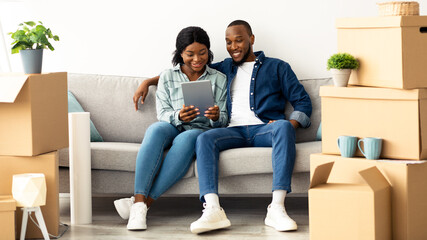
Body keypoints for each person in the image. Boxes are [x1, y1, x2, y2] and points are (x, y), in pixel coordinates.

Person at [133, 20, 312, 234]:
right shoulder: (224, 67)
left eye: (239, 40)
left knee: (284, 127)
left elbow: (303, 102)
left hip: (265, 128)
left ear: (251, 39)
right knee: (203, 138)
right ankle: (212, 209)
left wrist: (290, 124)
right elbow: (188, 68)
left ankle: (277, 208)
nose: (233, 47)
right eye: (228, 42)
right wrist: (148, 82)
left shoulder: (278, 67)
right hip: (232, 130)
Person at [117, 26, 228, 231]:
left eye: (202, 53)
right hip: (173, 126)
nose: (197, 59)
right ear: (180, 54)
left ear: (209, 51)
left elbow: (224, 118)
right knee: (155, 129)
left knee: (188, 138)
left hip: (200, 130)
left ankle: (142, 206)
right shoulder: (168, 76)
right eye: (190, 54)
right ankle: (139, 202)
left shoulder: (219, 79)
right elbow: (163, 113)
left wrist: (215, 117)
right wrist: (178, 115)